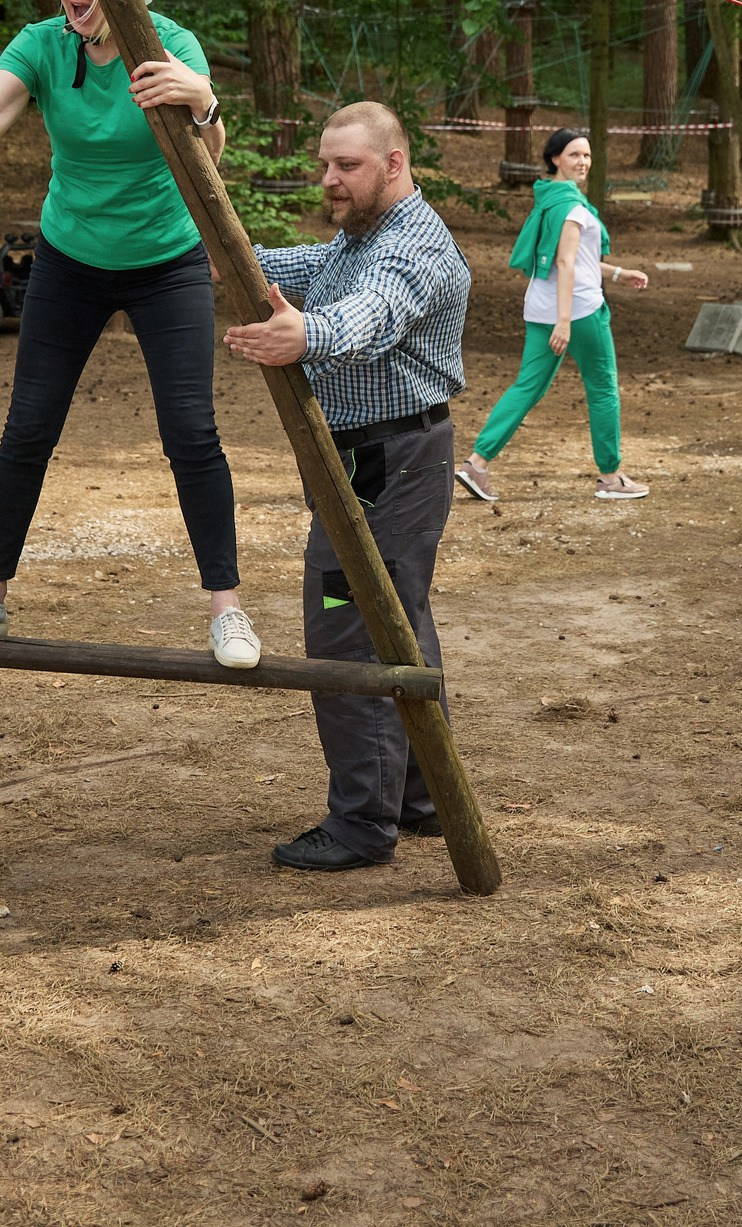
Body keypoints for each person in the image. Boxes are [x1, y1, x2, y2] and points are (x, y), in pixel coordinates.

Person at [0, 0, 261, 669]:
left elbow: (210, 155)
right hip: (70, 258)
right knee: (29, 425)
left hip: (167, 260)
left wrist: (203, 100)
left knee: (191, 431)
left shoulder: (171, 46)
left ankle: (227, 609)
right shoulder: (42, 47)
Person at [225, 102, 472, 871]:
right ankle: (419, 793)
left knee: (347, 625)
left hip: (387, 467)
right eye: (326, 164)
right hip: (380, 462)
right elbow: (284, 267)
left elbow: (376, 311)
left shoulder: (413, 246)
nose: (329, 179)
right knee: (398, 619)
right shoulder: (355, 241)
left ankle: (363, 823)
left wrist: (308, 334)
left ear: (394, 164)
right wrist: (208, 246)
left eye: (348, 165)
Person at [457, 127, 649, 504]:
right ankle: (610, 477)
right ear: (555, 159)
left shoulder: (549, 199)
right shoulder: (573, 208)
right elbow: (564, 262)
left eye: (588, 156)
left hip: (541, 308)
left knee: (527, 388)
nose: (583, 162)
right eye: (575, 154)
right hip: (579, 312)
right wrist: (565, 321)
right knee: (603, 389)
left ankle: (475, 464)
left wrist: (617, 273)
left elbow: (576, 257)